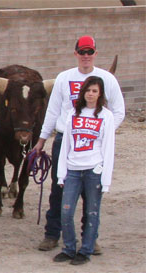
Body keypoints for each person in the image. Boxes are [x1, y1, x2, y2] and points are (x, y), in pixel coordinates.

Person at [34, 35, 125, 253]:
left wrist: (101, 133)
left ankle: (90, 238)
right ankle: (52, 234)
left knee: (91, 190)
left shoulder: (107, 79)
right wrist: (41, 140)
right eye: (82, 52)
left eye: (89, 52)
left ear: (95, 53)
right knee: (59, 187)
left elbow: (119, 111)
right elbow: (53, 110)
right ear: (75, 53)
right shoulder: (64, 78)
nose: (86, 56)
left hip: (94, 144)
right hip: (66, 140)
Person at [52, 76, 115, 265]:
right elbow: (66, 146)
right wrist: (61, 173)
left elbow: (108, 148)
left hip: (93, 170)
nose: (90, 94)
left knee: (91, 212)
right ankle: (69, 248)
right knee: (66, 212)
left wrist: (105, 178)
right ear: (83, 92)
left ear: (100, 94)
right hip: (73, 170)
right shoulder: (73, 114)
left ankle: (86, 250)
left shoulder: (106, 116)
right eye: (88, 90)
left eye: (95, 91)